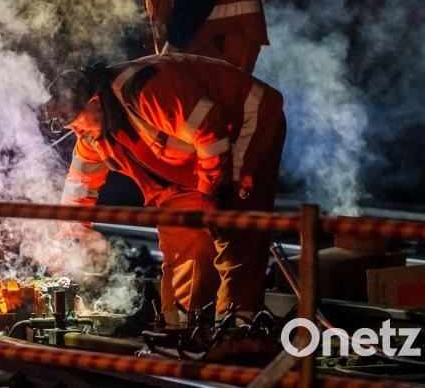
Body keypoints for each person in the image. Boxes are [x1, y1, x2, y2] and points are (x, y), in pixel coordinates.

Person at [46, 53, 285, 326]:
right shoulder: (93, 134)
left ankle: (239, 330)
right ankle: (181, 331)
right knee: (182, 245)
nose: (77, 133)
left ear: (94, 102)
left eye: (76, 123)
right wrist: (69, 235)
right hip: (195, 162)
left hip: (245, 123)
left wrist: (210, 197)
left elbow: (210, 132)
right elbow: (79, 186)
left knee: (233, 227)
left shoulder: (146, 90)